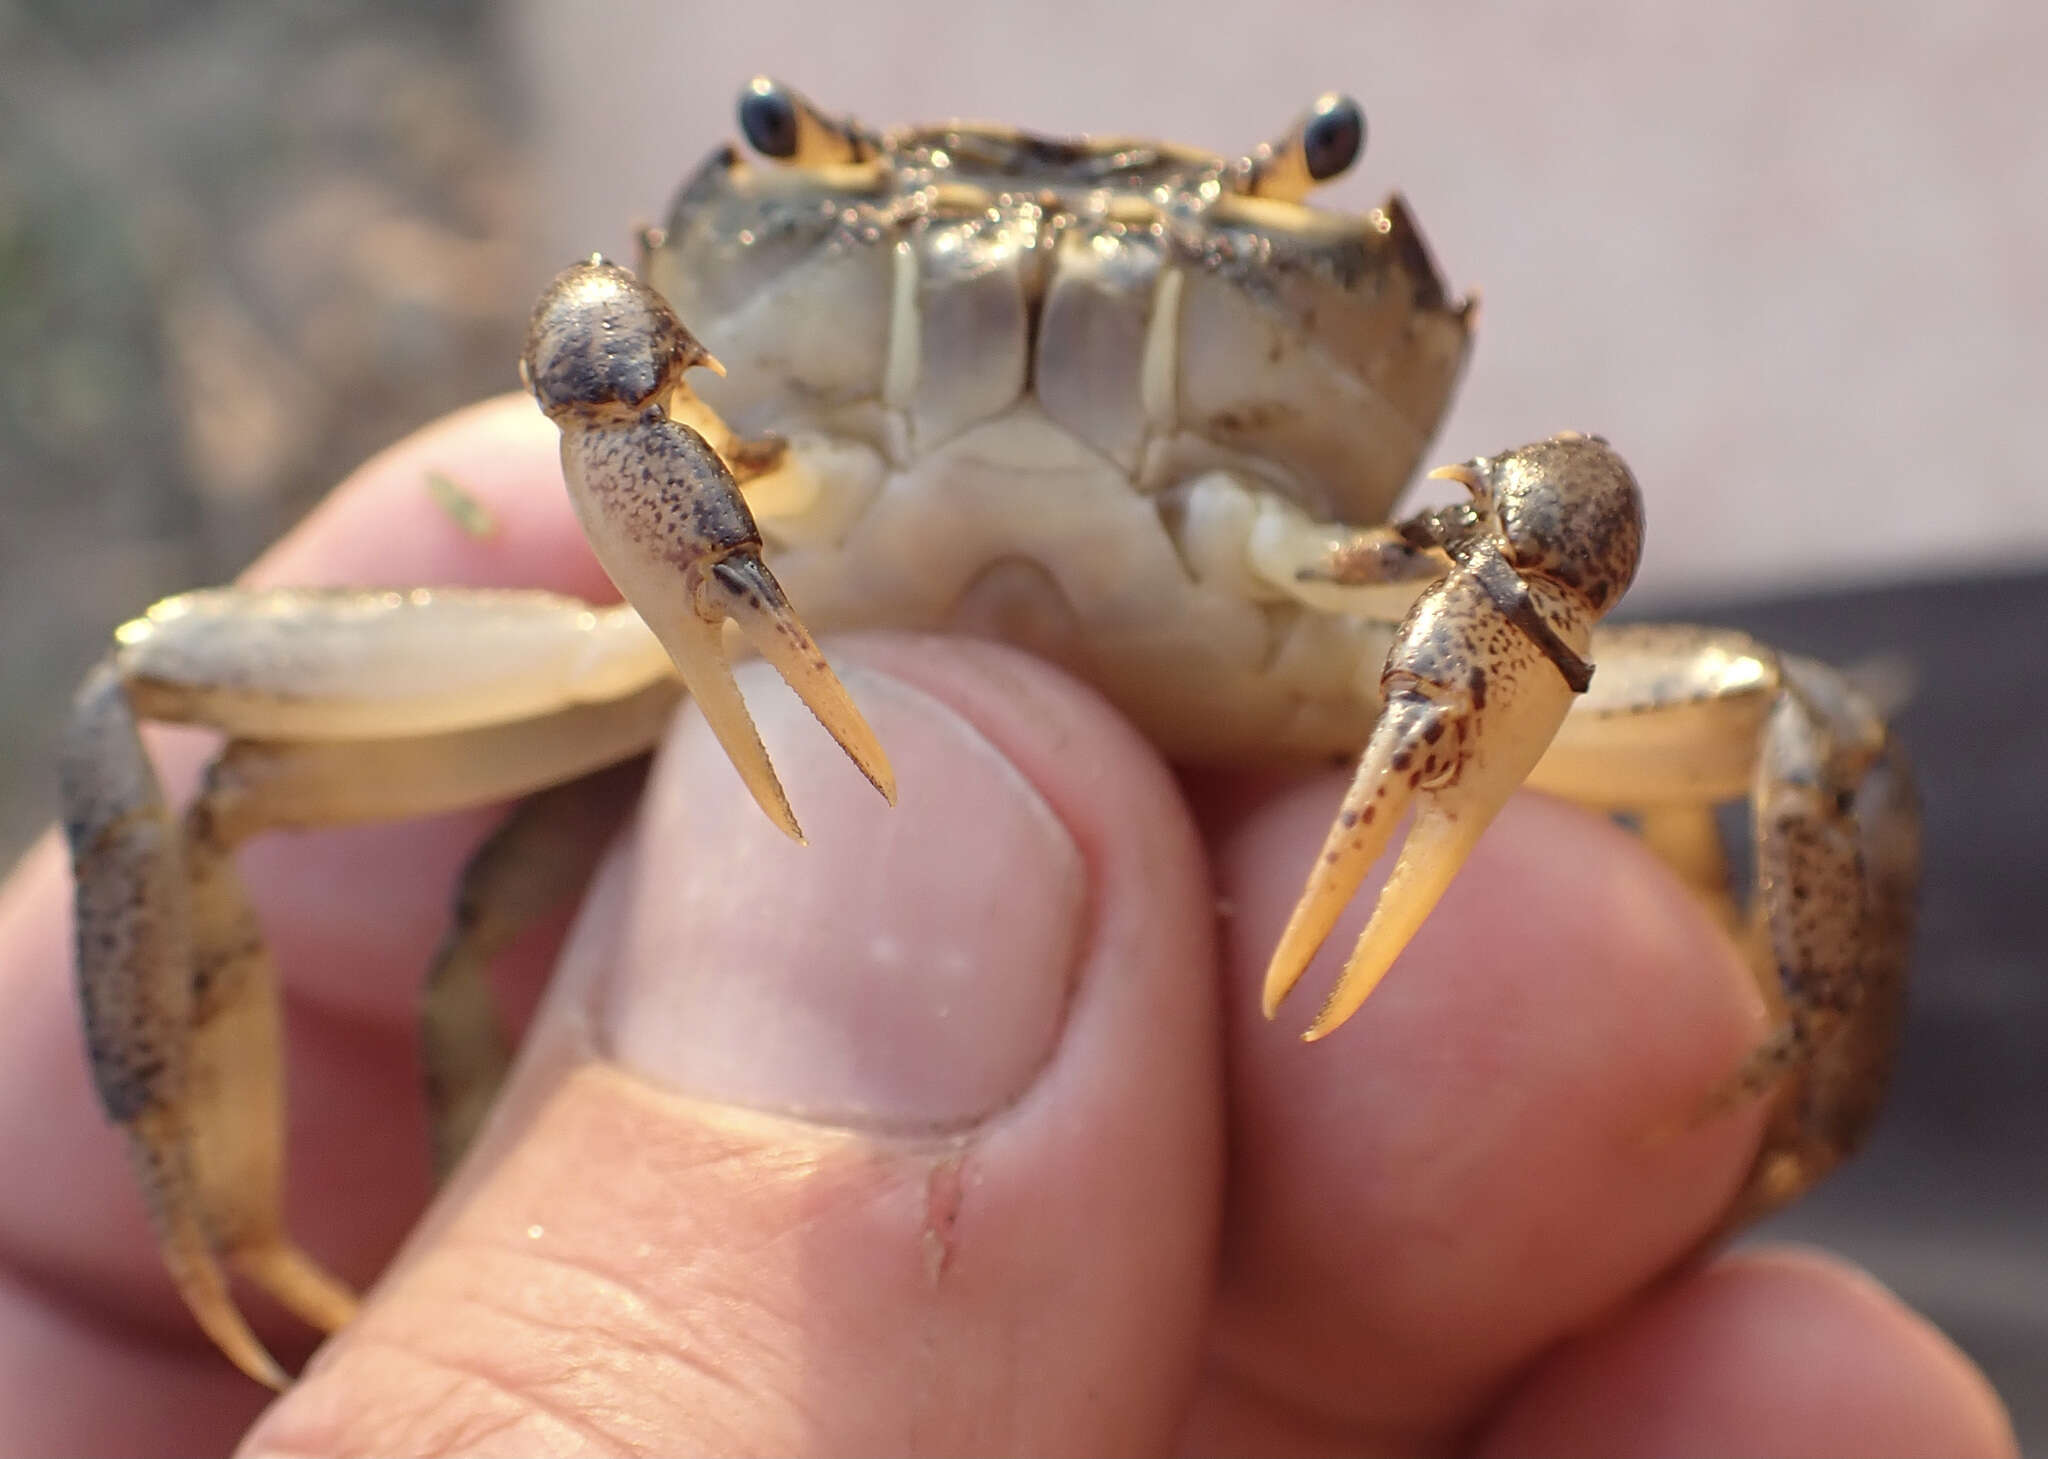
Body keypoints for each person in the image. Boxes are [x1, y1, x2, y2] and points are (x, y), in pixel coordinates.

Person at [0, 396, 2013, 1456]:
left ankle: (1752, 1150)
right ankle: (216, 1201)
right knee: (176, 721)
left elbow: (1597, 554)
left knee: (1800, 751)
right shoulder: (640, 411)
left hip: (1335, 636)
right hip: (749, 591)